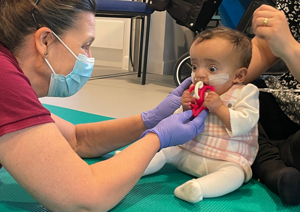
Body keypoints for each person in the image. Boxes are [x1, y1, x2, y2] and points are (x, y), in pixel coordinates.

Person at [0, 0, 208, 211]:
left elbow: (77, 140)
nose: (89, 58)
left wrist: (151, 120)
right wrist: (157, 138)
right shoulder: (3, 79)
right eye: (85, 45)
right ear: (45, 41)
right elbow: (85, 199)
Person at [133, 27, 259, 203]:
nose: (199, 74)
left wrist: (219, 107)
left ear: (238, 75)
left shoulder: (246, 92)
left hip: (224, 158)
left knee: (236, 174)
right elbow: (181, 124)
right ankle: (132, 167)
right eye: (194, 66)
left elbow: (247, 122)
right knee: (163, 150)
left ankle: (198, 188)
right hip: (187, 151)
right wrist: (185, 107)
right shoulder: (192, 91)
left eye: (212, 68)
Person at [244, 1, 300, 205]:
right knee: (234, 97)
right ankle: (276, 163)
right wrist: (223, 73)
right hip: (279, 102)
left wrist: (290, 48)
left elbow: (283, 44)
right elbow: (265, 47)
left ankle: (266, 161)